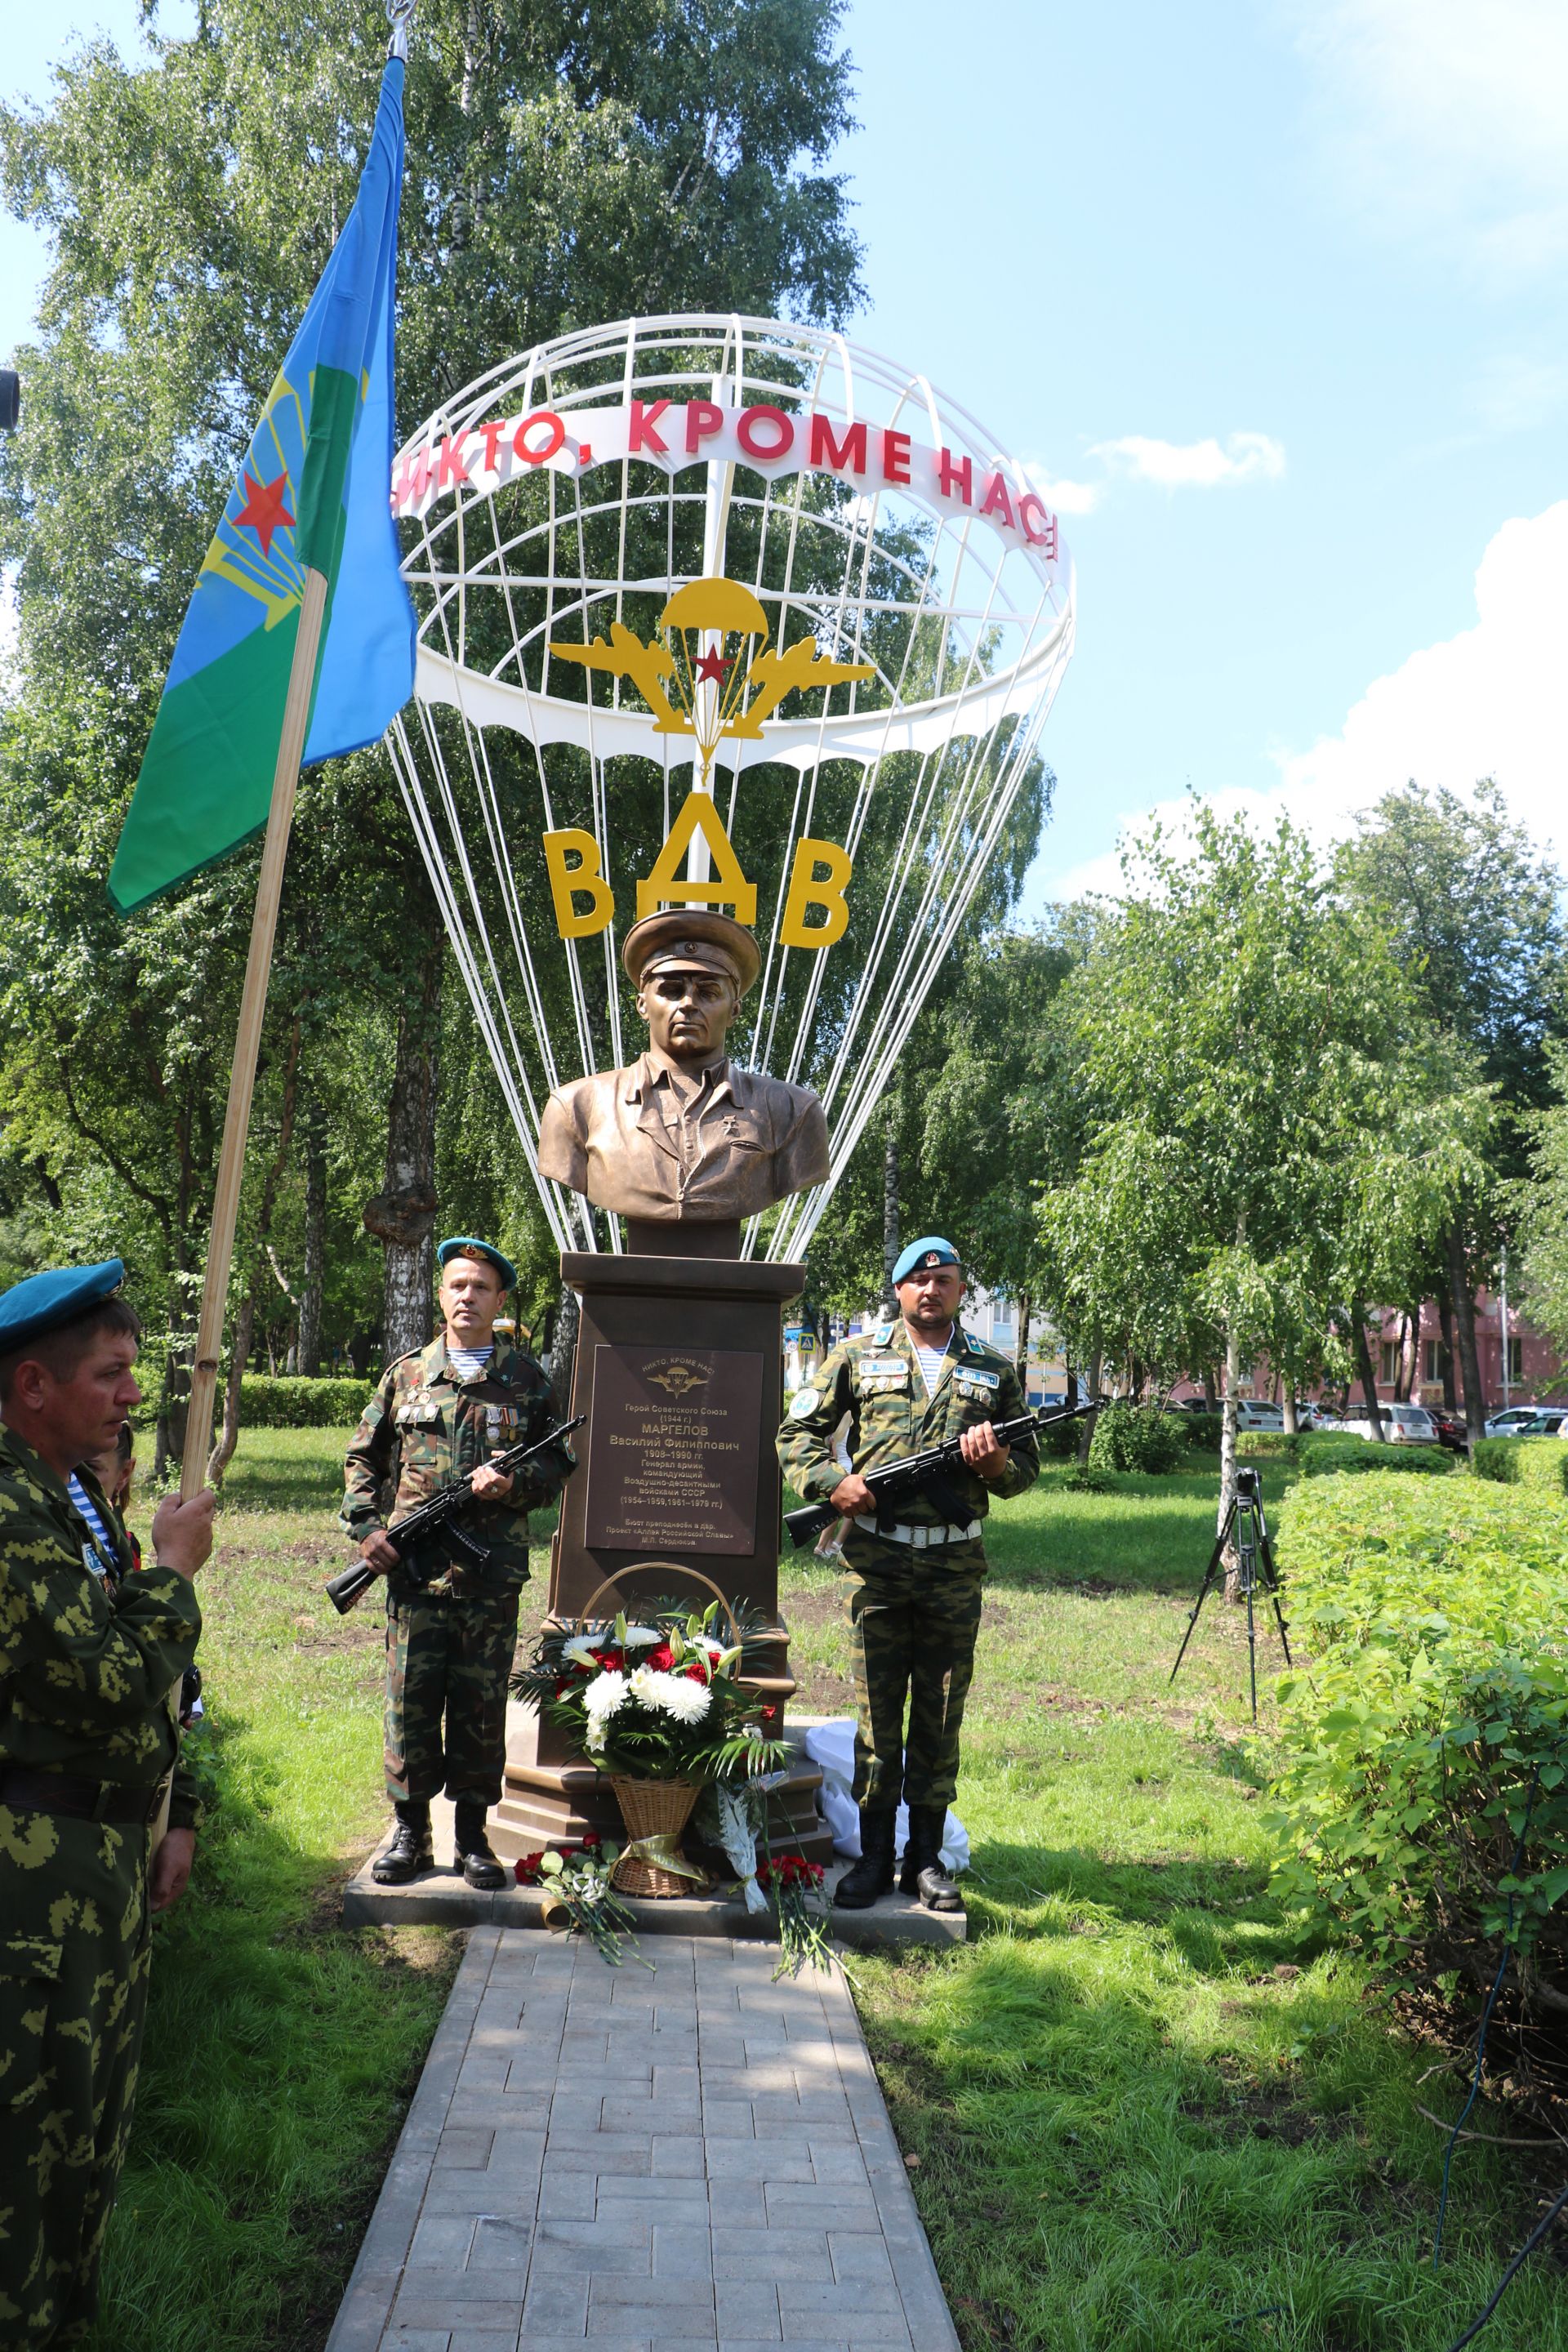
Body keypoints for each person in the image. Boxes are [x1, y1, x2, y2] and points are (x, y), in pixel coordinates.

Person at [0, 1259, 215, 2350]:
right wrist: (175, 1568)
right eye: (112, 1374)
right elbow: (110, 1679)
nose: (135, 1396)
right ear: (32, 1385)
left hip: (96, 1870)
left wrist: (181, 1812)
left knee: (83, 2139)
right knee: (26, 2157)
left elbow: (166, 1696)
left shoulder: (74, 1495)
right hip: (29, 1896)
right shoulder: (8, 1511)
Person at [777, 1238, 1039, 1913]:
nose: (932, 1290)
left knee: (940, 1716)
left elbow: (1025, 1468)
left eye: (946, 1281)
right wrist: (834, 1484)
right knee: (877, 1721)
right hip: (880, 1568)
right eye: (919, 1281)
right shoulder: (856, 1356)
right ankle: (872, 1859)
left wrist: (992, 1468)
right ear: (899, 1290)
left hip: (954, 1569)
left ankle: (924, 1862)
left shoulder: (991, 1368)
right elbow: (796, 1434)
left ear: (959, 1291)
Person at [341, 1238, 576, 1889]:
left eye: (480, 1287)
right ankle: (411, 1835)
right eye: (456, 1285)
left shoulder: (527, 1380)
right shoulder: (408, 1373)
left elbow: (558, 1462)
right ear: (440, 1295)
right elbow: (363, 1458)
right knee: (410, 1702)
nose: (466, 1296)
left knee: (480, 1705)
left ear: (500, 1301)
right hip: (414, 1575)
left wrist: (514, 1484)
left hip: (488, 1577)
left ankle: (473, 1838)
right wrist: (367, 1530)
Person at [536, 909, 829, 1236]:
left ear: (734, 1010)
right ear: (643, 1005)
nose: (689, 1003)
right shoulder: (577, 1108)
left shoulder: (791, 1111)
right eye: (672, 990)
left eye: (708, 992)